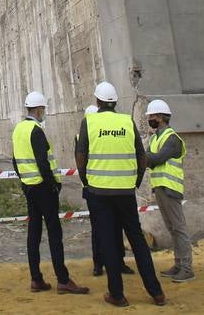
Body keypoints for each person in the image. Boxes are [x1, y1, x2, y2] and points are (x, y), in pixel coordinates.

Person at [75, 81, 166, 308]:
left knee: (107, 240)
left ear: (97, 101)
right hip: (125, 192)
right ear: (114, 102)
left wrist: (86, 180)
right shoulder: (127, 122)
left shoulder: (90, 122)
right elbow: (141, 157)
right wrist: (135, 181)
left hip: (99, 192)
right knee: (137, 240)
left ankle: (117, 294)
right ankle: (156, 293)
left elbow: (80, 155)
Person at [12, 90, 88, 295]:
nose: (44, 112)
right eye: (43, 109)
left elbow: (15, 161)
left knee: (34, 232)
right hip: (43, 188)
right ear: (37, 109)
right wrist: (53, 185)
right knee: (55, 232)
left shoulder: (18, 130)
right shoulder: (36, 131)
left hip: (29, 187)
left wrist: (24, 181)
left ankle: (36, 279)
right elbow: (43, 162)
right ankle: (63, 280)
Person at [145, 98, 194, 282]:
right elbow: (149, 156)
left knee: (178, 228)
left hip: (170, 189)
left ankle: (187, 268)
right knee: (172, 228)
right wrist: (148, 156)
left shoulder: (172, 138)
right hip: (160, 188)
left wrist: (148, 157)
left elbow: (155, 158)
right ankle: (179, 264)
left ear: (160, 117)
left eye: (151, 116)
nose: (149, 119)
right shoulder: (156, 137)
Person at [81, 104, 131, 278]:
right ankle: (98, 263)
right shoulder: (83, 134)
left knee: (115, 227)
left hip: (110, 186)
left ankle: (119, 262)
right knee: (99, 229)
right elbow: (82, 161)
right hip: (94, 189)